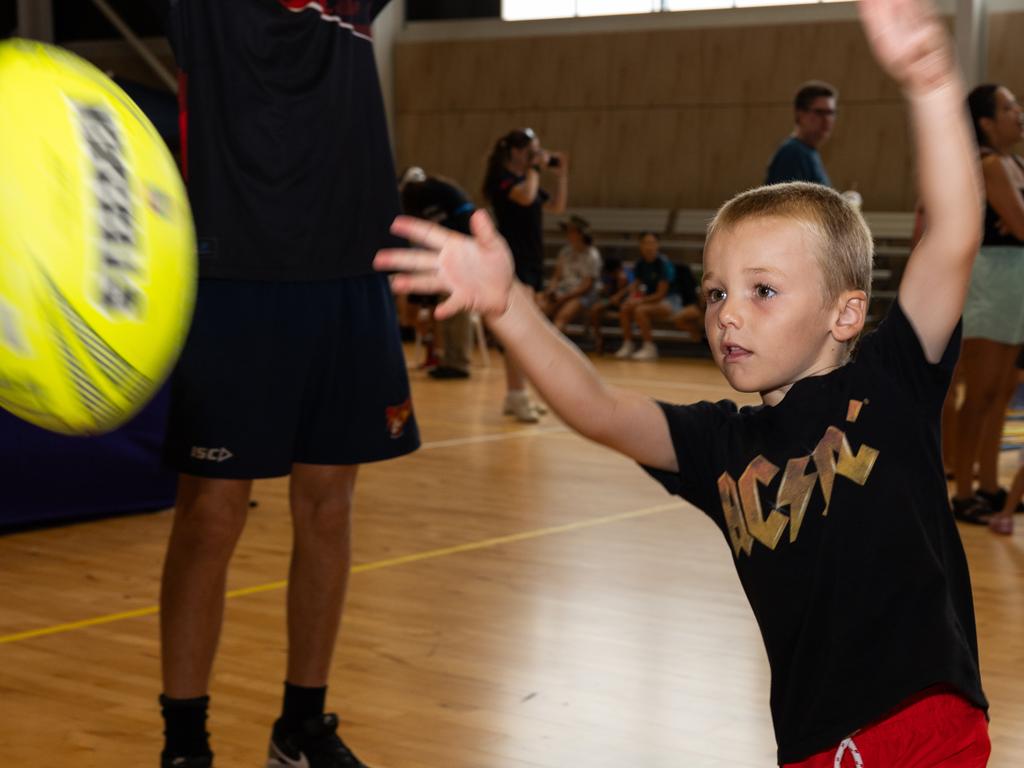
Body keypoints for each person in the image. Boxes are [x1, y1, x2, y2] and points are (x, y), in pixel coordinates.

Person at [375, 0, 990, 763]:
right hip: (808, 745)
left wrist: (930, 81)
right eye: (715, 293)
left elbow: (955, 234)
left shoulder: (892, 383)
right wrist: (508, 308)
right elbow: (599, 408)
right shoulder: (721, 446)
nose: (728, 314)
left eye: (762, 291)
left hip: (923, 725)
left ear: (845, 312)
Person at [153, 3, 420, 767]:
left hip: (348, 271)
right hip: (233, 273)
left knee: (329, 508)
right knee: (211, 514)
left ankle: (299, 729)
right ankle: (184, 742)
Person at [947, 83, 1024, 525]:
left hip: (1014, 285)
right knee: (978, 392)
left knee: (1002, 392)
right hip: (991, 284)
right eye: (1010, 107)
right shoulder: (989, 164)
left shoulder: (1013, 163)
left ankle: (991, 486)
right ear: (986, 122)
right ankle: (963, 492)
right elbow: (1018, 223)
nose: (1019, 113)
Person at [483, 128, 568, 422]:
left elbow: (556, 207)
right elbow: (525, 197)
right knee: (519, 332)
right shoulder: (503, 180)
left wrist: (560, 176)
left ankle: (517, 395)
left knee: (525, 332)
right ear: (516, 152)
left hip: (532, 258)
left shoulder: (526, 179)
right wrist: (534, 168)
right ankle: (517, 395)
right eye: (532, 150)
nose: (537, 156)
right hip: (512, 260)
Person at [399, 166, 477, 379]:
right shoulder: (436, 190)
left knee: (456, 309)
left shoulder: (426, 195)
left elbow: (443, 231)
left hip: (465, 249)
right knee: (449, 309)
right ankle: (450, 360)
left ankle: (458, 363)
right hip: (463, 248)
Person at [614, 232, 681, 361]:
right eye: (645, 243)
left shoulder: (663, 263)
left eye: (652, 243)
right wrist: (627, 297)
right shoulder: (641, 263)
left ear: (657, 245)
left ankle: (649, 347)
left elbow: (661, 294)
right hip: (652, 300)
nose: (649, 246)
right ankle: (628, 344)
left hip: (671, 300)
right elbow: (635, 284)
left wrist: (638, 301)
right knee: (624, 308)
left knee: (640, 310)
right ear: (640, 245)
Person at [765, 81, 837, 187]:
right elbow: (787, 203)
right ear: (800, 114)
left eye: (830, 113)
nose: (827, 119)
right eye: (819, 112)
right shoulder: (792, 153)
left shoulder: (807, 151)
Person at [538, 215, 602, 334]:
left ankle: (551, 348)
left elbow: (586, 286)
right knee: (541, 308)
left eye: (571, 231)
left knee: (563, 315)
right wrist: (552, 289)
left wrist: (563, 298)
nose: (567, 233)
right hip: (565, 290)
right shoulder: (565, 252)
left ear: (581, 234)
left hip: (584, 294)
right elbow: (556, 276)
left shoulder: (593, 255)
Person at [587, 256, 631, 355]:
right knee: (594, 309)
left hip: (625, 302)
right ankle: (599, 338)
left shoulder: (625, 275)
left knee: (623, 307)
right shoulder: (608, 275)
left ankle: (627, 344)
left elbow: (624, 294)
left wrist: (620, 290)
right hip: (610, 301)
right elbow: (609, 295)